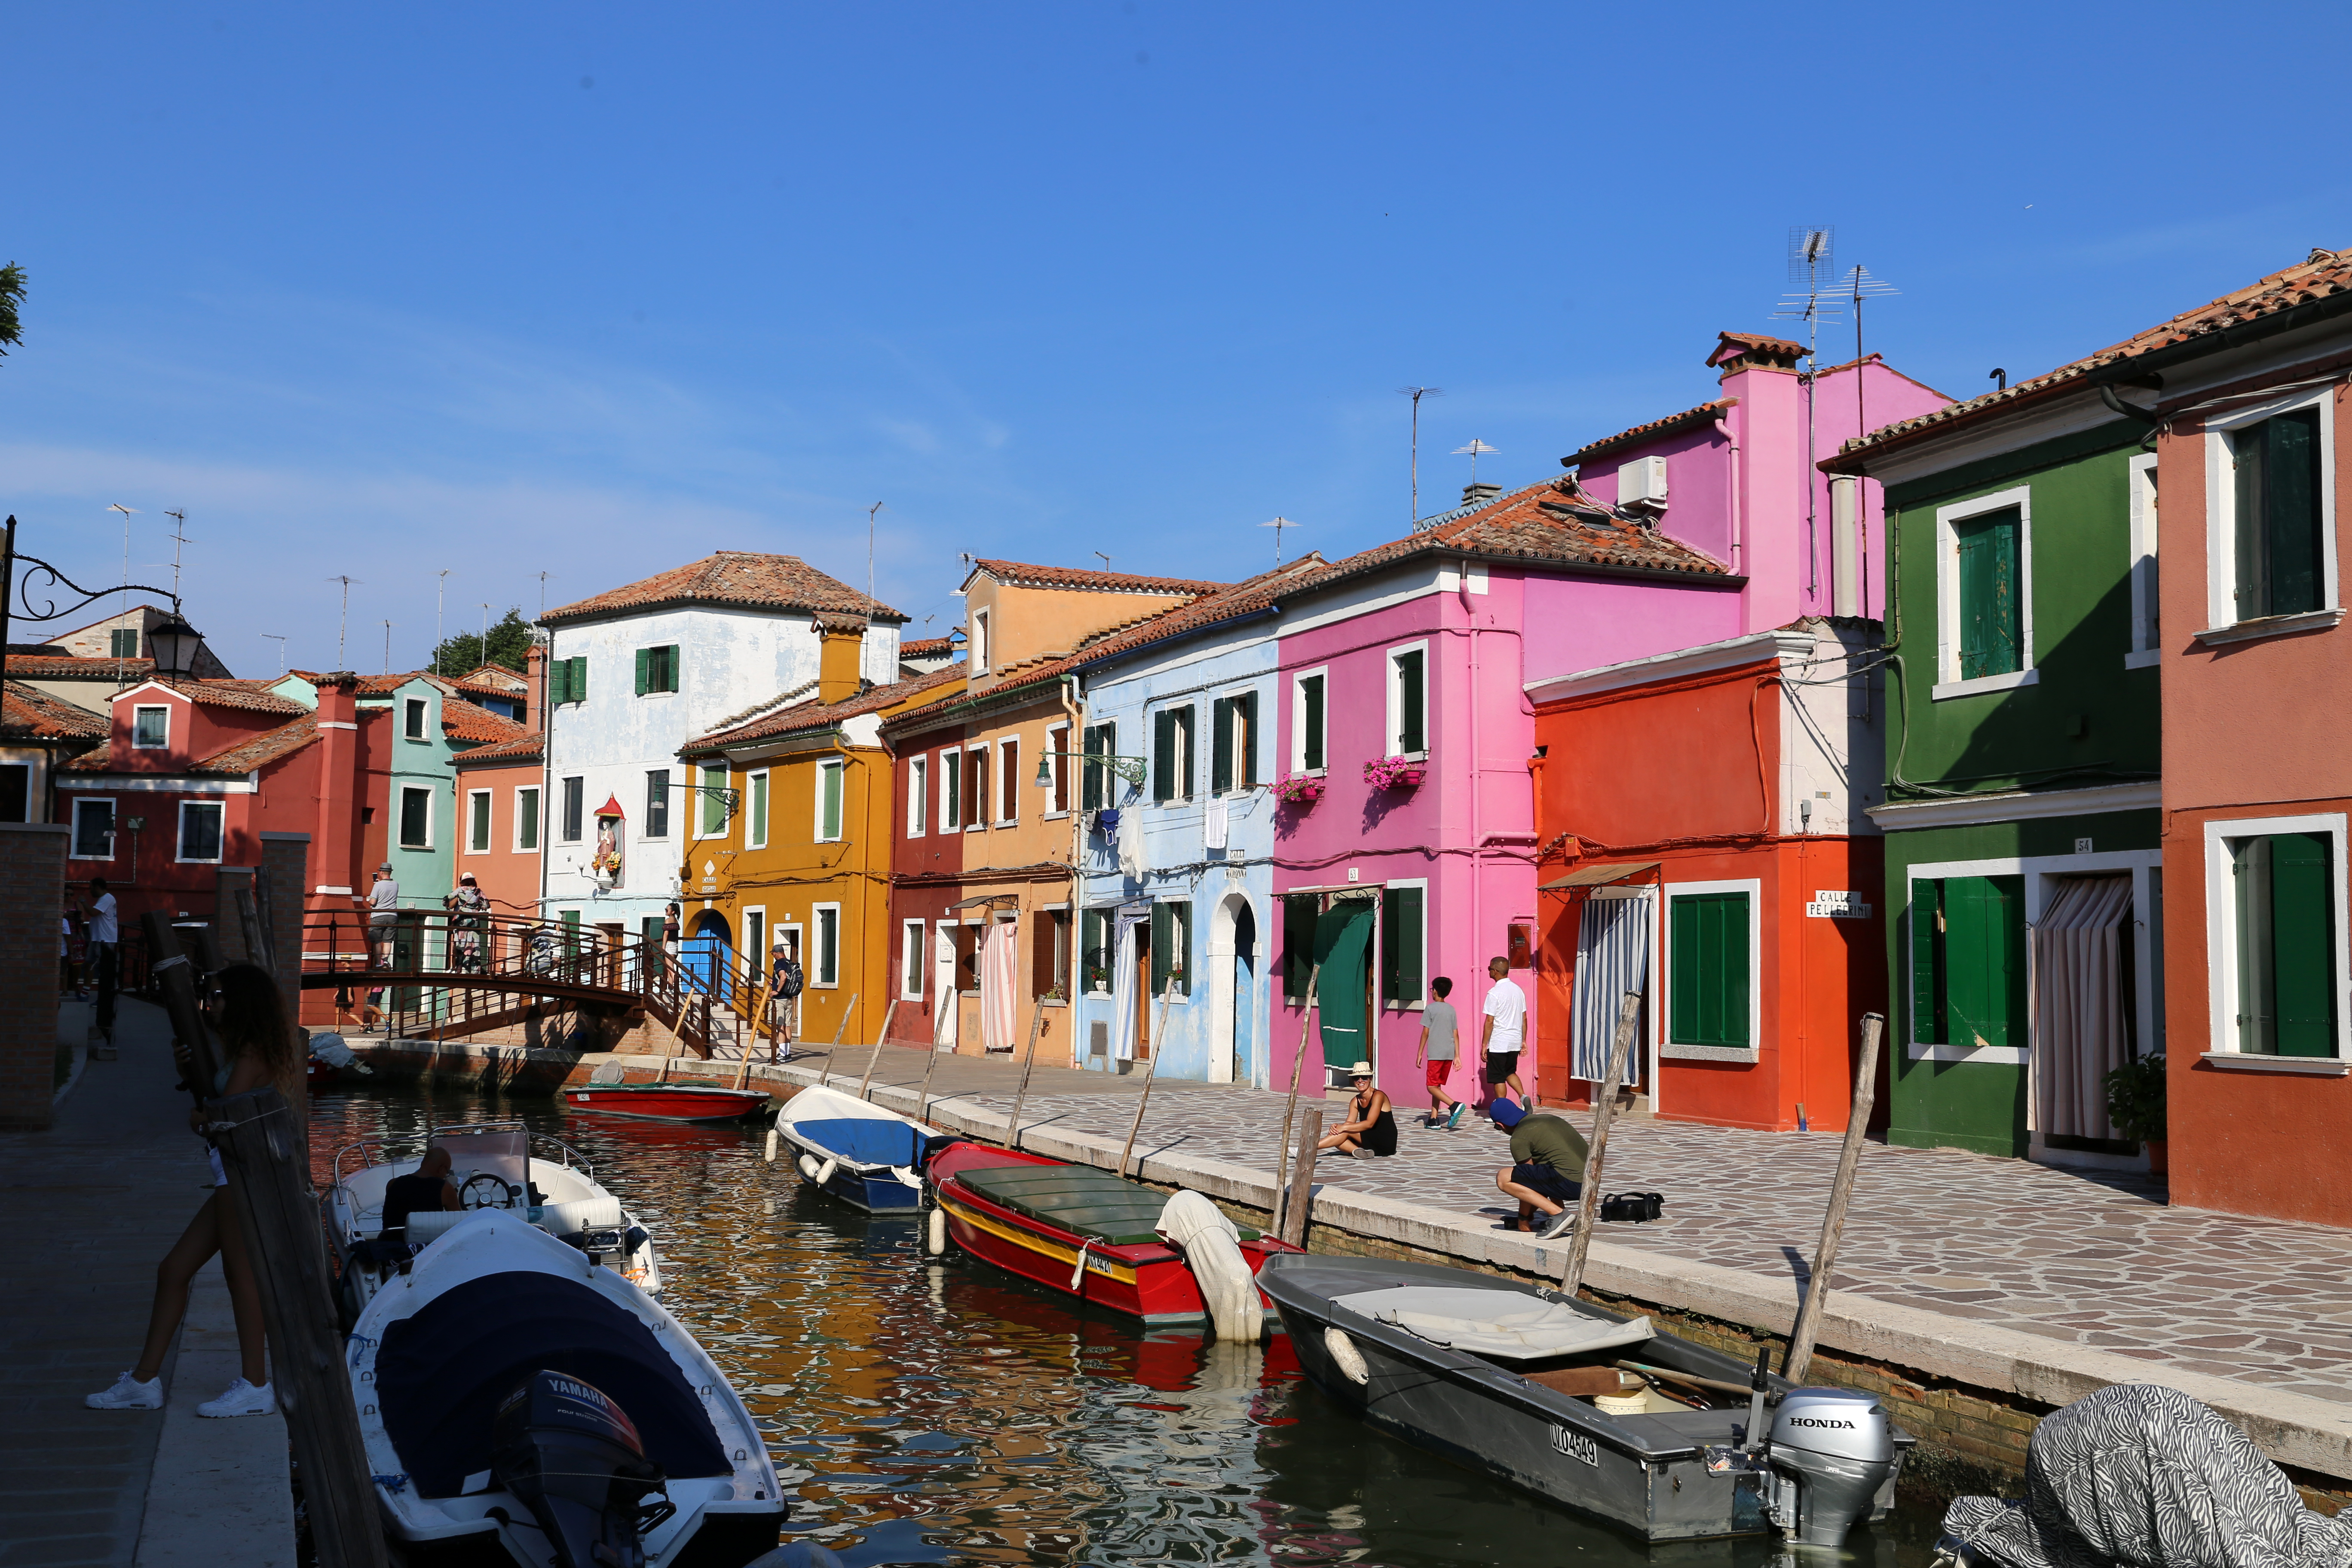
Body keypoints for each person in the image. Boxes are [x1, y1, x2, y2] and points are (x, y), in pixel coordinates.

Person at [87, 963, 306, 1418]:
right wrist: (187, 1075)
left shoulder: (252, 1053)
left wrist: (199, 1118)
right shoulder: (244, 1049)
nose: (213, 1003)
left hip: (242, 1174)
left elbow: (222, 1115)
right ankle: (144, 1382)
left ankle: (255, 1385)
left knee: (240, 1277)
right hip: (230, 1172)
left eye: (220, 995)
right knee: (173, 1270)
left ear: (242, 1000)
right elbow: (216, 1106)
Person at [1491, 1098, 1586, 1239]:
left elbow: (1526, 1181)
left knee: (1504, 1177)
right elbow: (1540, 1177)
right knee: (1546, 1169)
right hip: (1589, 1182)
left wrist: (1523, 1219)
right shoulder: (1549, 1119)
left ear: (1501, 1125)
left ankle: (1559, 1214)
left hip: (1571, 1183)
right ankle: (1563, 1215)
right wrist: (1530, 1214)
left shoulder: (1519, 1138)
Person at [379, 1145, 462, 1259]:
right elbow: (459, 1224)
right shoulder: (445, 1189)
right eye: (447, 1172)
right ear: (442, 1169)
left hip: (389, 1253)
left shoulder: (392, 1184)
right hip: (424, 1254)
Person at [1317, 1063, 1397, 1159]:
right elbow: (1349, 1123)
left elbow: (1370, 1124)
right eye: (1356, 1078)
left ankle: (1312, 1147)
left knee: (1342, 1131)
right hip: (1369, 1139)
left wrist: (1342, 1128)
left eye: (1364, 1078)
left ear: (1370, 1079)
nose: (1360, 1081)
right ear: (1353, 1081)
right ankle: (1362, 1152)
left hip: (1385, 1141)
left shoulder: (1378, 1096)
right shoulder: (1355, 1101)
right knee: (1339, 1136)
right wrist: (1337, 1128)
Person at [1479, 956, 1529, 1109]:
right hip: (1515, 1040)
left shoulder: (1494, 993)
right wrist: (1523, 1041)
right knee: (1510, 1072)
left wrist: (1484, 1045)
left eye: (1490, 969)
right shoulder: (1518, 990)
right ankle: (1523, 1097)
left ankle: (1501, 1110)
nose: (1489, 971)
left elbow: (1490, 1021)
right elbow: (1524, 1018)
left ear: (1495, 971)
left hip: (1499, 1042)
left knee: (1498, 1078)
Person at [1417, 976, 1464, 1129]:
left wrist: (1420, 1053)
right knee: (1436, 1085)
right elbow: (1456, 1034)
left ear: (1435, 991)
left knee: (1431, 1086)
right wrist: (1457, 1056)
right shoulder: (1451, 1009)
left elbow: (1425, 1032)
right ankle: (1434, 1119)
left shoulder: (1430, 1009)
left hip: (1436, 1054)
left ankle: (1454, 1105)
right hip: (1449, 1053)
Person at [83, 876, 119, 1032]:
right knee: (89, 965)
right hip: (97, 938)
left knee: (104, 970)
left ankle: (106, 998)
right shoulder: (103, 899)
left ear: (97, 887)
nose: (90, 890)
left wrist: (83, 902)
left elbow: (93, 913)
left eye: (91, 887)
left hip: (105, 939)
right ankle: (85, 993)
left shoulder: (107, 898)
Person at [444, 874, 490, 974]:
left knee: (459, 946)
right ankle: (471, 969)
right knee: (473, 946)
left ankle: (458, 969)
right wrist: (476, 907)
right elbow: (486, 905)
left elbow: (446, 901)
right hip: (474, 922)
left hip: (462, 922)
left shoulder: (460, 890)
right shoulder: (479, 891)